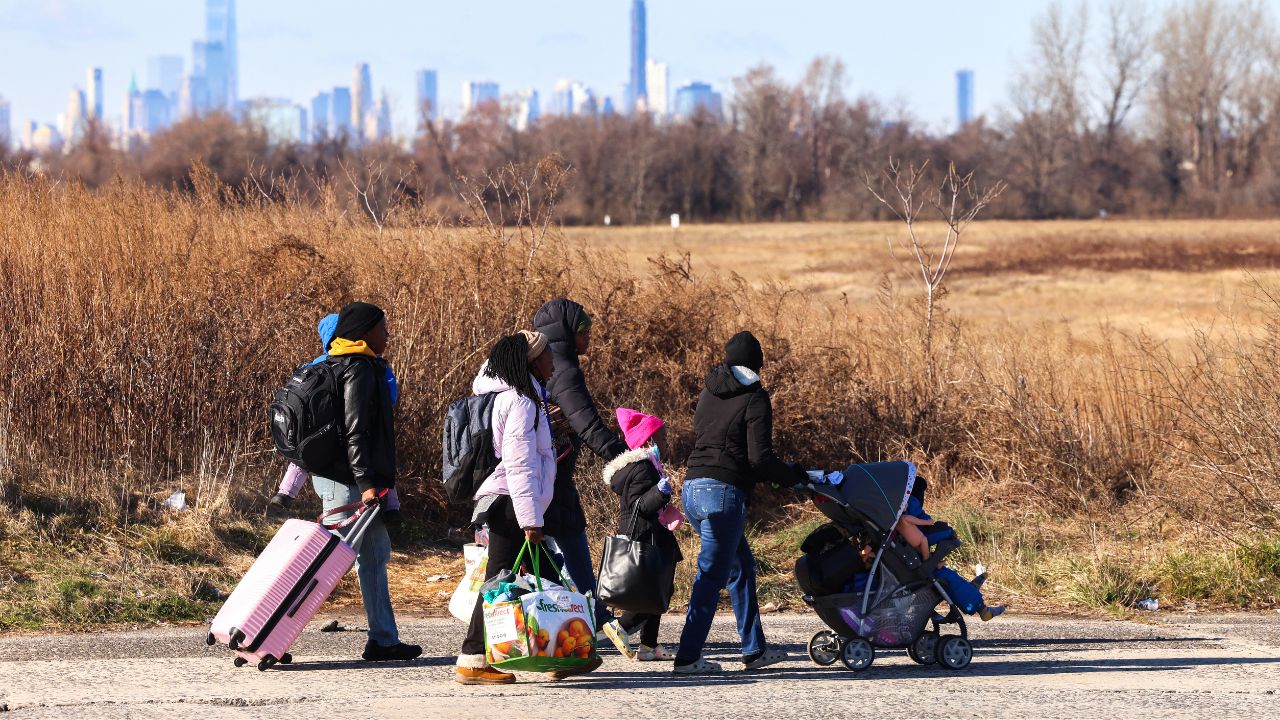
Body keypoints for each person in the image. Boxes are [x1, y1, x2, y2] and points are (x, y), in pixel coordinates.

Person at [455, 331, 603, 685]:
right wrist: (531, 520)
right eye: (548, 355)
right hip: (513, 502)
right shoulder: (520, 401)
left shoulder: (523, 396)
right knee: (500, 579)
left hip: (520, 501)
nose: (553, 362)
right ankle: (473, 658)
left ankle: (567, 653)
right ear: (532, 361)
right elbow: (519, 464)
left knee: (547, 576)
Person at [675, 331, 808, 674]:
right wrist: (793, 474)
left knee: (741, 567)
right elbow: (760, 459)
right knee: (710, 576)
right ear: (758, 365)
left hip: (691, 489)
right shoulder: (755, 398)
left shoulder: (709, 390)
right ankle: (687, 658)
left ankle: (754, 650)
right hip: (722, 493)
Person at [306, 301, 420, 662]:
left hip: (338, 477)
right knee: (336, 560)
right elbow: (356, 434)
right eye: (381, 326)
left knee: (365, 554)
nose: (387, 332)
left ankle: (383, 639)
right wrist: (368, 483)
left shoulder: (335, 362)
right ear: (363, 331)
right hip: (350, 481)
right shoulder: (359, 369)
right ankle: (266, 628)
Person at [533, 298, 628, 631]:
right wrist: (625, 458)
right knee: (571, 535)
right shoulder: (563, 369)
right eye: (583, 330)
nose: (589, 336)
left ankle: (567, 617)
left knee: (544, 547)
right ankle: (596, 617)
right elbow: (587, 424)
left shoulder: (544, 363)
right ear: (566, 332)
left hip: (540, 473)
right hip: (551, 475)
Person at [268, 312, 401, 520]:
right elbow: (390, 397)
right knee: (382, 456)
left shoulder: (316, 365)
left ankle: (285, 493)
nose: (387, 334)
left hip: (317, 442)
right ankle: (393, 507)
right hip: (348, 461)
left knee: (301, 460)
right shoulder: (369, 366)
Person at [599, 408, 682, 662]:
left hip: (647, 533)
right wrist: (660, 492)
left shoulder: (642, 466)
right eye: (662, 437)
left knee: (657, 587)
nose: (665, 442)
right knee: (657, 589)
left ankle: (649, 646)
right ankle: (621, 627)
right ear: (648, 441)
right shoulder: (644, 468)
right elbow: (639, 505)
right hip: (647, 534)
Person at [895, 493, 1003, 621]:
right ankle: (982, 608)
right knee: (941, 574)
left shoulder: (884, 514)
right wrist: (946, 531)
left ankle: (971, 589)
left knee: (937, 568)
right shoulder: (905, 503)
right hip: (909, 563)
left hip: (899, 557)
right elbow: (924, 524)